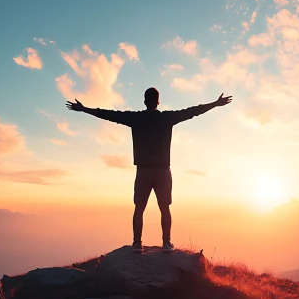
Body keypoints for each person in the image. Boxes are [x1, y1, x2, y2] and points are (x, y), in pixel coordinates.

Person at [66, 87, 232, 253]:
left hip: (143, 171)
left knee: (139, 208)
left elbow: (110, 114)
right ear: (158, 101)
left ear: (145, 101)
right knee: (165, 208)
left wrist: (84, 109)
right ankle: (166, 243)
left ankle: (137, 244)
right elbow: (192, 111)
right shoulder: (167, 118)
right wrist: (215, 104)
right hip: (162, 171)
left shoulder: (135, 118)